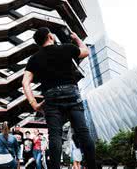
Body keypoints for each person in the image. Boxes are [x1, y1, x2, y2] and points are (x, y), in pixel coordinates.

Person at [22, 27, 96, 169]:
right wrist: (76, 39)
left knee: (55, 135)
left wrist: (34, 104)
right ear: (50, 36)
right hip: (72, 93)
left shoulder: (34, 59)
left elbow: (25, 83)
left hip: (51, 97)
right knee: (83, 132)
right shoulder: (66, 48)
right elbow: (85, 51)